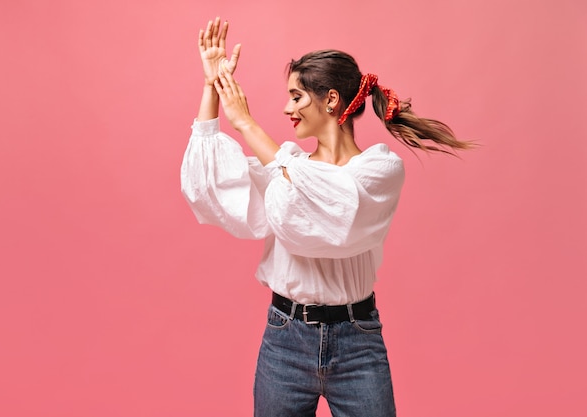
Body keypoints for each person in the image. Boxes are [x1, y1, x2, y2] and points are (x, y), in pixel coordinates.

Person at [180, 17, 473, 417]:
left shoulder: (377, 171)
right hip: (285, 339)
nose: (287, 108)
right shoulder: (284, 171)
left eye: (297, 97)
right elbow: (209, 186)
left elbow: (332, 209)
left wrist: (246, 123)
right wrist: (211, 88)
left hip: (357, 343)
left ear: (330, 100)